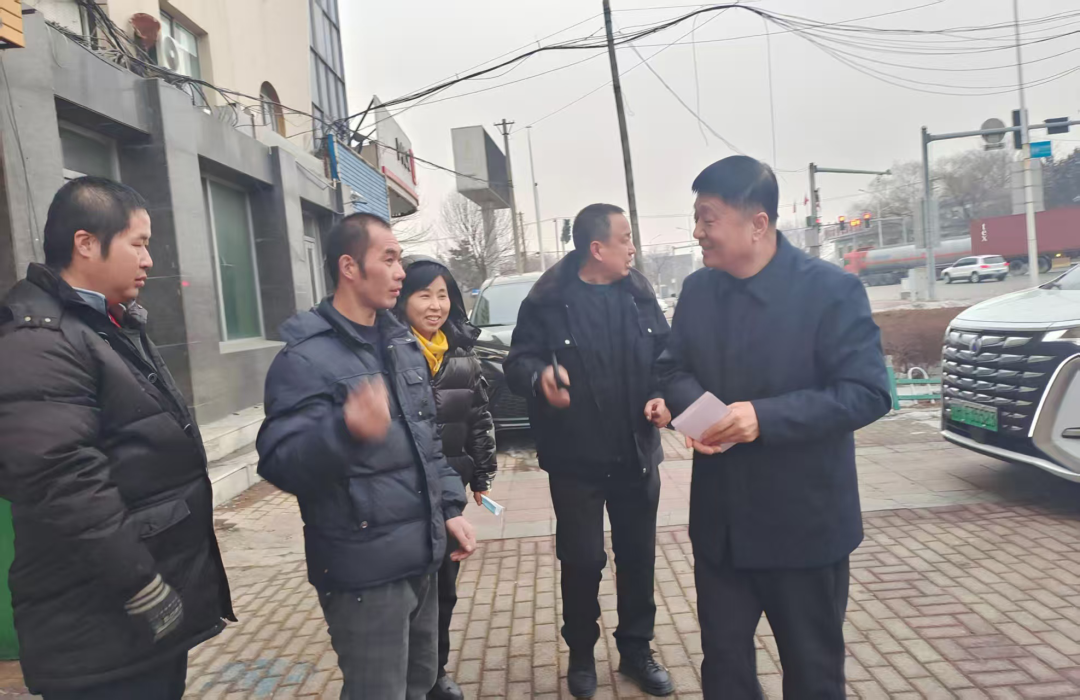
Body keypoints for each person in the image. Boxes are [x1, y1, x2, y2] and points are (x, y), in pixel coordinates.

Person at [657, 156, 892, 699]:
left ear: (757, 223)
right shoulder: (698, 291)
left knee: (813, 677)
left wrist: (763, 418)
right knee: (725, 672)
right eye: (696, 218)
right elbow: (671, 370)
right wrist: (700, 416)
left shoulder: (830, 291)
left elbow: (867, 391)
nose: (698, 232)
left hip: (804, 529)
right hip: (722, 529)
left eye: (708, 218)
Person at [0, 177, 235, 699]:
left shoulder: (104, 323)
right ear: (86, 243)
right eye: (139, 244)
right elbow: (63, 481)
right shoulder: (40, 339)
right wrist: (142, 585)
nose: (148, 260)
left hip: (134, 622)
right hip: (100, 626)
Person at [256, 213, 477, 700]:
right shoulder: (305, 358)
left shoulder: (400, 343)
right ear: (349, 267)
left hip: (422, 554)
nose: (401, 272)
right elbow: (279, 461)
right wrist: (345, 431)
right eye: (389, 259)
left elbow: (428, 440)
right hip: (365, 570)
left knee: (420, 683)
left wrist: (449, 507)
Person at [505, 204, 674, 698]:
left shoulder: (640, 294)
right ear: (597, 248)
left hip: (635, 454)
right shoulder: (547, 300)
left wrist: (662, 397)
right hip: (575, 460)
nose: (633, 248)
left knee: (637, 558)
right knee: (581, 561)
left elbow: (666, 358)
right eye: (625, 238)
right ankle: (581, 653)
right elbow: (517, 362)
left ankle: (636, 650)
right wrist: (540, 377)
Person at [394, 256, 498, 700]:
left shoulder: (461, 356)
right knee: (406, 593)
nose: (435, 306)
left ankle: (435, 672)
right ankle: (401, 675)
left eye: (443, 296)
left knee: (444, 590)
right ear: (403, 300)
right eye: (424, 295)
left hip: (449, 489)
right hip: (404, 492)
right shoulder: (390, 352)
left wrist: (482, 474)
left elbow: (478, 418)